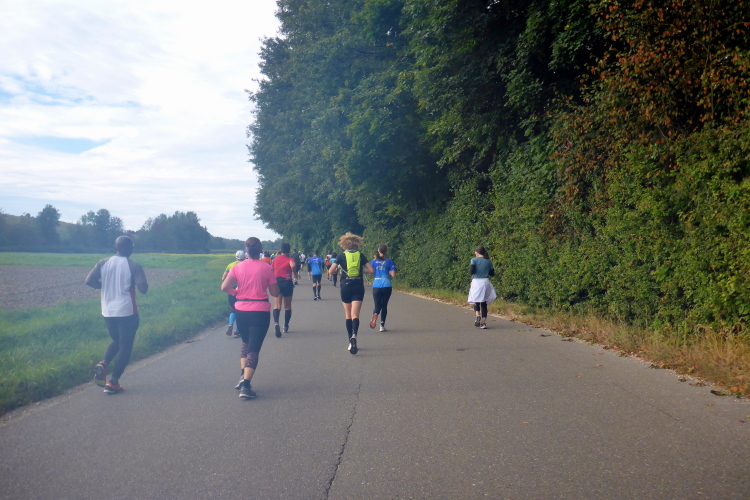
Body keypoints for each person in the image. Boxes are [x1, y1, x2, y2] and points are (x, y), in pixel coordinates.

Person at [85, 235, 148, 394]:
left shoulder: (103, 263)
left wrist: (105, 286)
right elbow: (143, 289)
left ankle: (104, 363)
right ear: (131, 249)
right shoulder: (134, 265)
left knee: (117, 340)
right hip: (127, 312)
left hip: (107, 311)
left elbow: (89, 281)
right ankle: (113, 382)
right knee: (126, 346)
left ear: (115, 248)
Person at [221, 237, 279, 399]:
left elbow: (224, 287)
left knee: (245, 343)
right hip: (260, 311)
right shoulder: (267, 268)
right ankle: (246, 386)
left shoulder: (237, 267)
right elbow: (274, 293)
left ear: (246, 250)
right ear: (260, 250)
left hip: (241, 310)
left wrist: (236, 292)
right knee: (254, 348)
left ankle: (242, 376)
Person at [328, 233, 374, 354]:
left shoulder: (341, 256)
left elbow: (331, 271)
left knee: (348, 314)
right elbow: (371, 270)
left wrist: (338, 269)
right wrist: (362, 271)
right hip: (358, 286)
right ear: (357, 244)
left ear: (344, 244)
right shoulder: (361, 255)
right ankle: (354, 335)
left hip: (345, 286)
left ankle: (350, 340)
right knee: (355, 314)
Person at [468, 245, 497, 329]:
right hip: (485, 282)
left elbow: (471, 271)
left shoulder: (473, 260)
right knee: (484, 303)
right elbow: (492, 274)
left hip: (476, 282)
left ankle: (477, 315)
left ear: (477, 253)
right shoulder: (488, 261)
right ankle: (483, 323)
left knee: (476, 301)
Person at [370, 244, 397, 332]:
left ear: (378, 250)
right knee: (384, 305)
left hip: (376, 284)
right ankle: (382, 325)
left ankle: (375, 313)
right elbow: (393, 275)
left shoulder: (374, 261)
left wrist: (361, 271)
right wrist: (388, 271)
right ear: (386, 251)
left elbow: (370, 272)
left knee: (377, 305)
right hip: (386, 284)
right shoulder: (389, 262)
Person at [271, 242, 296, 336]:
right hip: (287, 282)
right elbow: (293, 265)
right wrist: (294, 273)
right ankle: (285, 326)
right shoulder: (290, 259)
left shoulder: (275, 259)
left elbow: (271, 269)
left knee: (277, 306)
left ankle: (276, 323)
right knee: (287, 306)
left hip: (277, 282)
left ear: (281, 250)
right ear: (289, 250)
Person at [221, 250, 246, 337]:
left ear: (235, 257)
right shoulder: (245, 265)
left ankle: (231, 324)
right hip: (242, 290)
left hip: (231, 290)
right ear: (244, 257)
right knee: (241, 310)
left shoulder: (230, 265)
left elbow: (223, 278)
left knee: (233, 309)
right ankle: (237, 330)